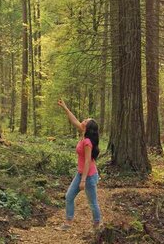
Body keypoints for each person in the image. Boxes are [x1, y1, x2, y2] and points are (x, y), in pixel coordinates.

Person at [57, 99, 102, 231]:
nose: (83, 120)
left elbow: (88, 161)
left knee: (92, 202)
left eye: (86, 121)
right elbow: (74, 120)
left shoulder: (87, 141)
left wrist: (83, 180)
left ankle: (97, 225)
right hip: (81, 173)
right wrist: (65, 108)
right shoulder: (83, 134)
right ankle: (68, 223)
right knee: (69, 196)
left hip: (89, 175)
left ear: (88, 127)